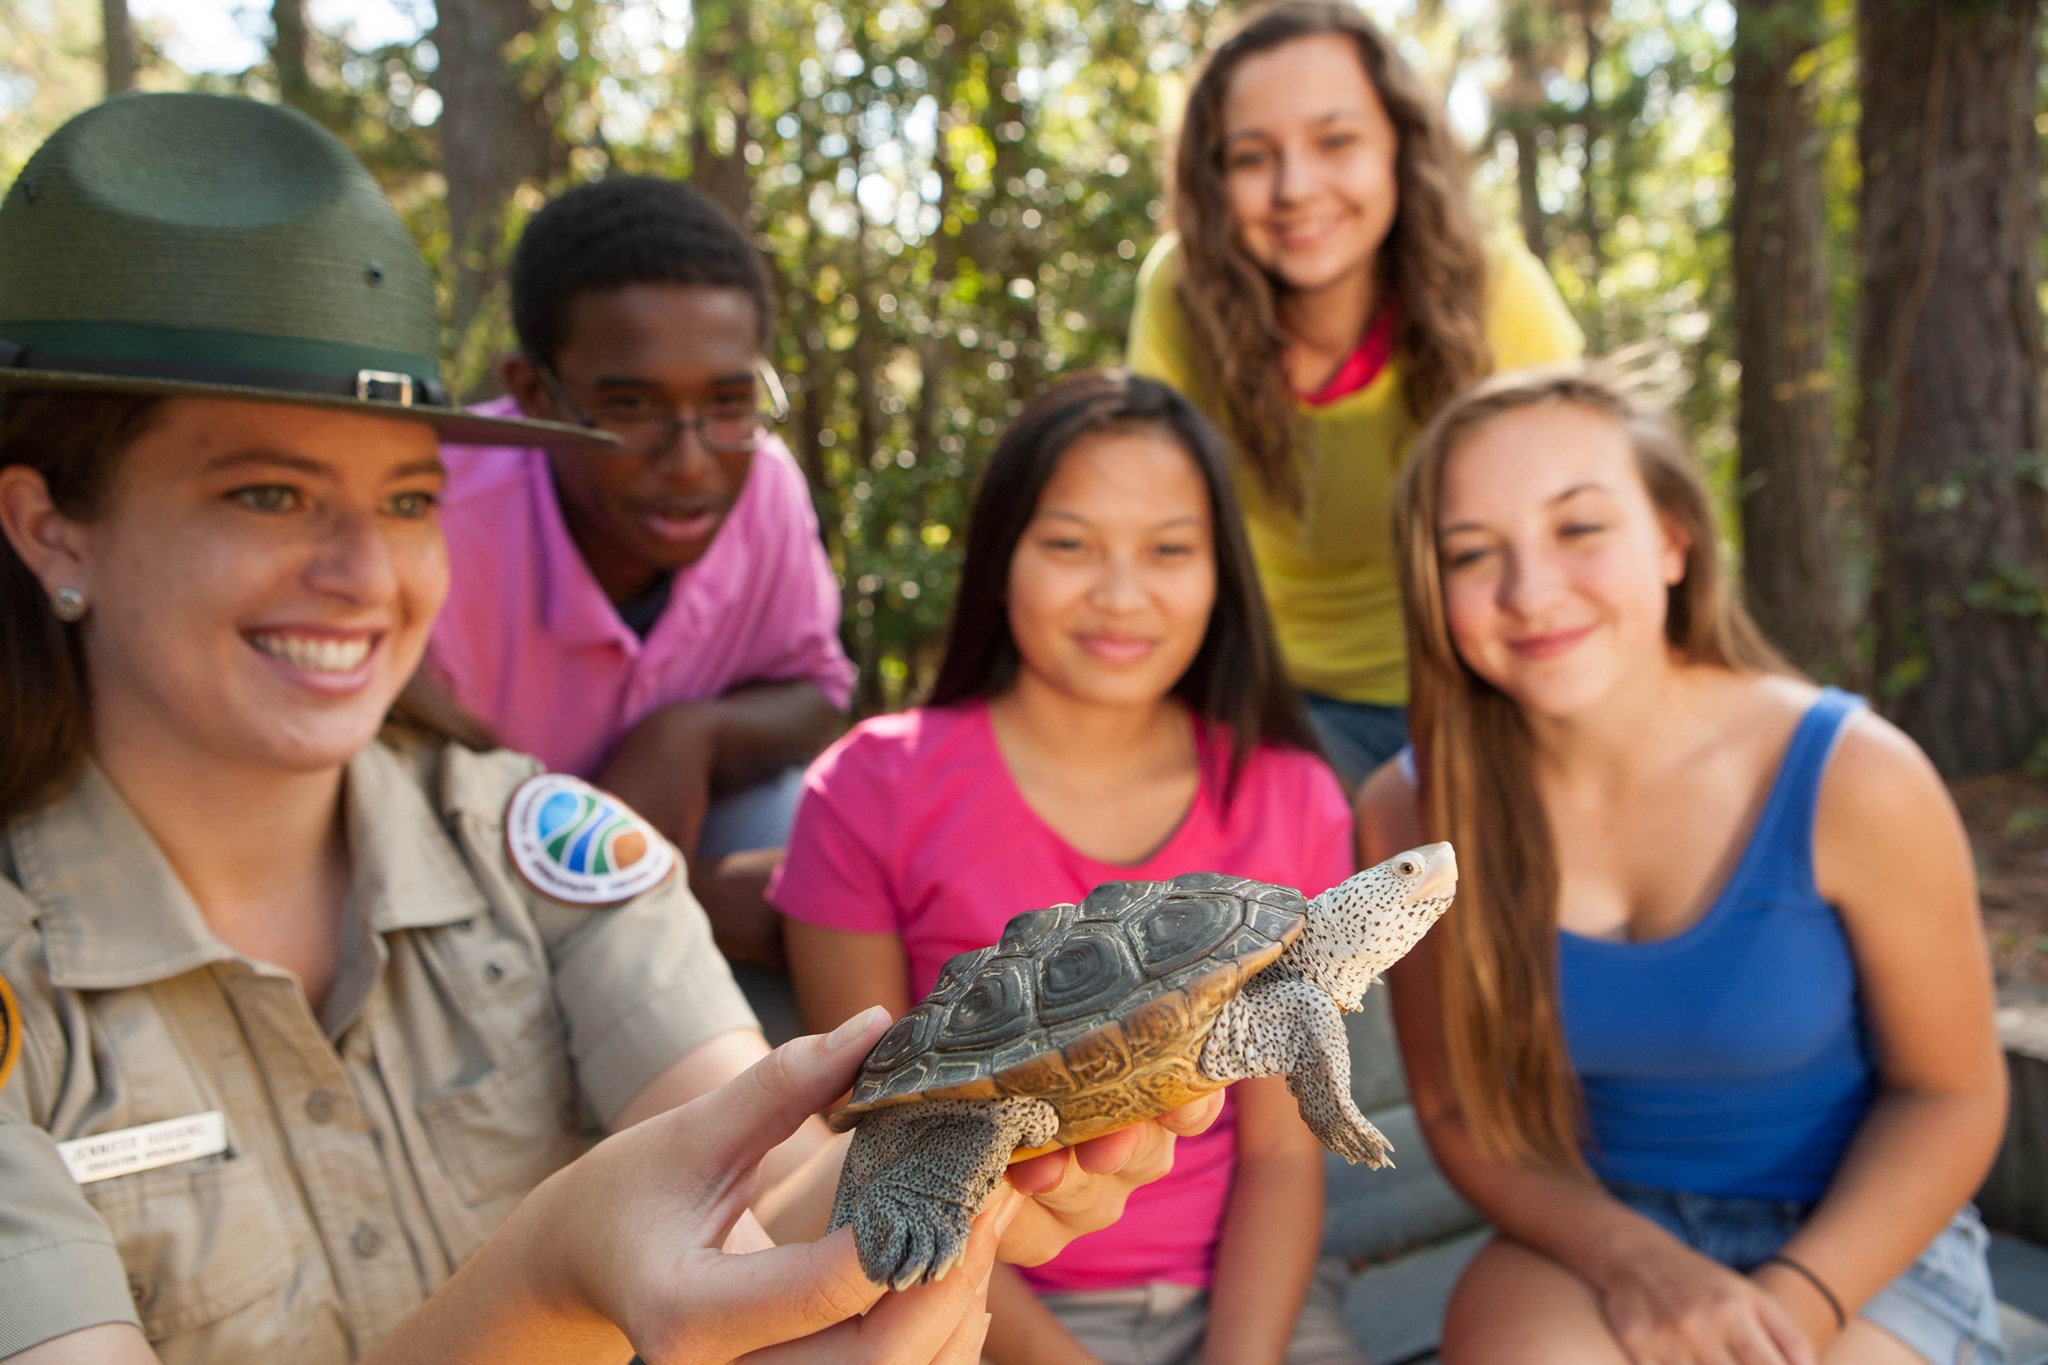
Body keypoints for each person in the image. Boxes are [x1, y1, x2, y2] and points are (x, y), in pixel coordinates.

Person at [0, 93, 1216, 1365]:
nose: (367, 574)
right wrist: (547, 1285)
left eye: (409, 496)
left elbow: (767, 1196)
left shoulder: (546, 850)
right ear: (50, 525)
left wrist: (961, 1166)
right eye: (268, 493)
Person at [1354, 366, 2009, 1365]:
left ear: (1671, 541)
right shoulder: (1409, 812)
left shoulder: (1853, 777)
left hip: (1864, 1235)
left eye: (1578, 530)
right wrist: (1636, 1264)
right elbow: (1451, 1110)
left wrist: (1795, 1307)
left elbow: (1951, 1097)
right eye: (1471, 553)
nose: (1529, 592)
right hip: (1592, 1229)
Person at [773, 370, 1367, 1365]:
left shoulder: (1290, 797)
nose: (1120, 595)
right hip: (962, 1308)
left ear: (1220, 570)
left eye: (1168, 550)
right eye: (1067, 544)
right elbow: (870, 1141)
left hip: (1248, 1315)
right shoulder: (872, 786)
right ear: (1000, 556)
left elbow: (1275, 1154)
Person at [1127, 0, 1584, 786]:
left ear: (1400, 149)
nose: (1295, 187)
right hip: (1259, 706)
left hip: (1476, 690)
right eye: (1251, 157)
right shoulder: (1181, 293)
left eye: (1336, 141)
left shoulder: (1494, 287)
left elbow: (1585, 516)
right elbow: (1138, 517)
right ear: (1213, 177)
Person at [426, 176, 854, 972]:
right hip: (466, 886)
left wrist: (688, 734)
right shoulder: (431, 518)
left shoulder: (763, 481)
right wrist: (645, 883)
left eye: (730, 403)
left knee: (816, 833)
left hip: (678, 842)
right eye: (630, 407)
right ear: (532, 394)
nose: (691, 463)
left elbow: (815, 694)